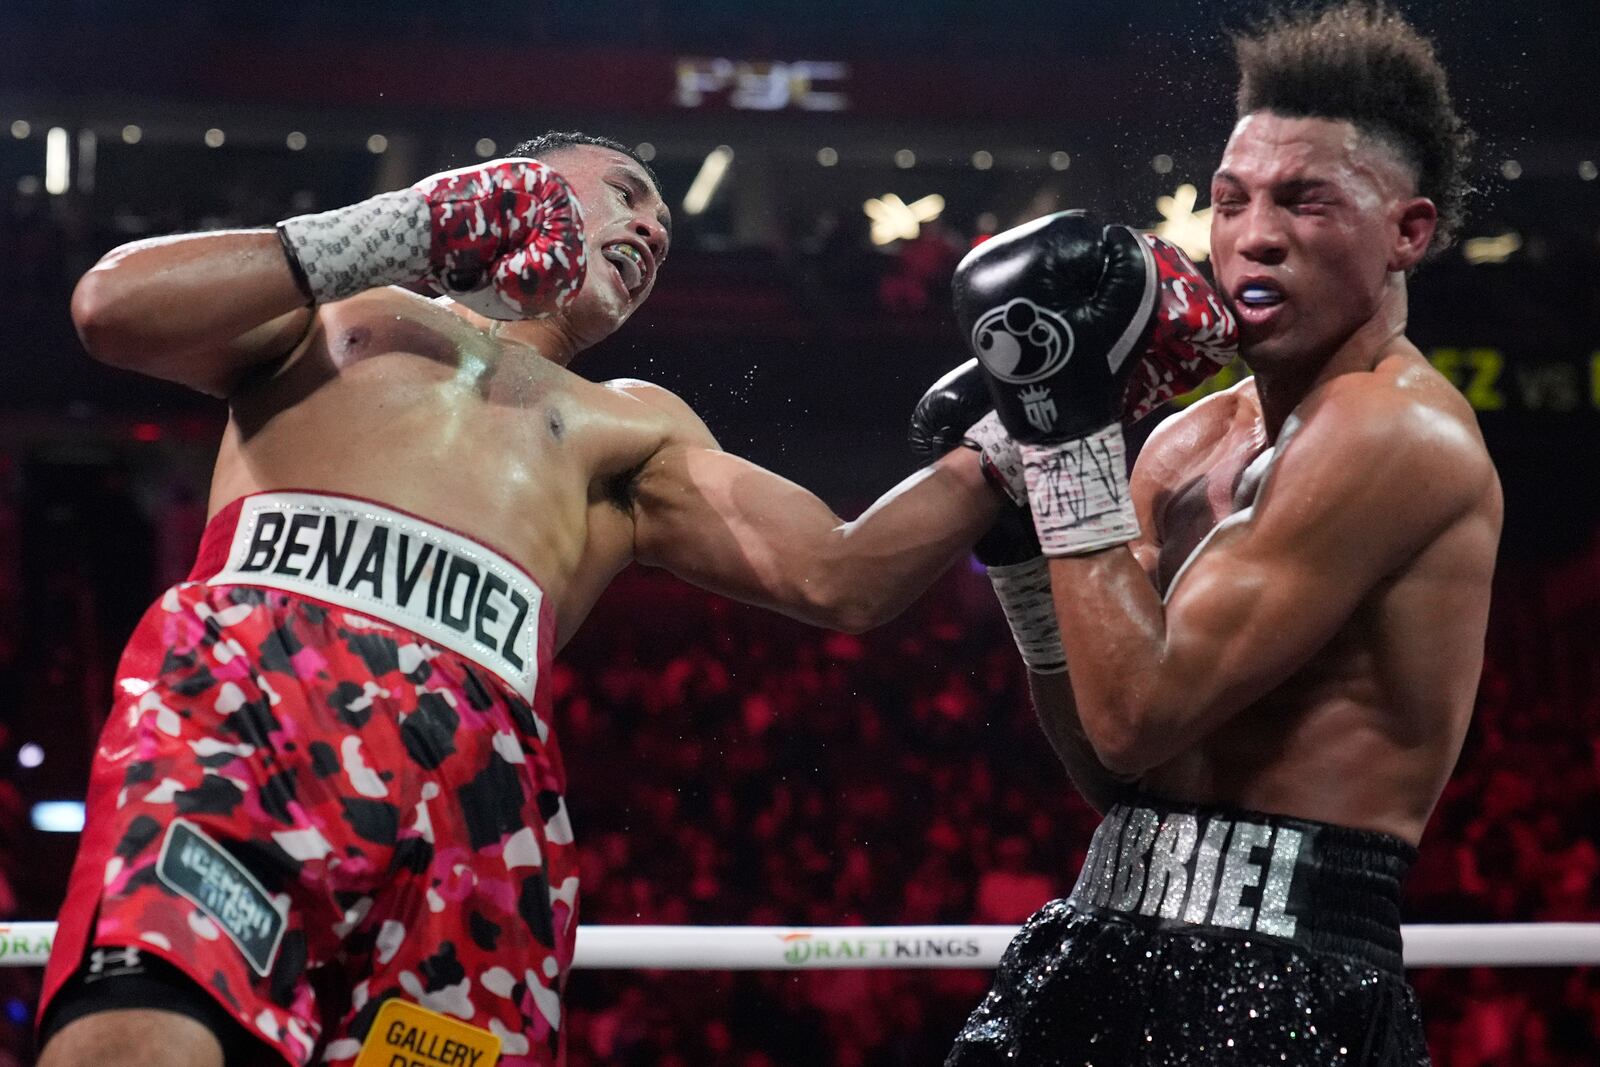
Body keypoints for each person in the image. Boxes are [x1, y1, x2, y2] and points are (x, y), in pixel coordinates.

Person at [35, 130, 1231, 1067]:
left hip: (476, 782)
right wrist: (414, 225)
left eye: (666, 223)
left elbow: (842, 574)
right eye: (625, 191)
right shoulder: (345, 314)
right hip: (262, 683)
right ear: (522, 183)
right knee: (144, 1021)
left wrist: (1020, 426)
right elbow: (110, 310)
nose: (654, 225)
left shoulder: (633, 423)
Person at [947, 3, 1500, 1063]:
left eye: (1306, 202)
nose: (1256, 235)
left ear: (1408, 232)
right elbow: (1110, 768)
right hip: (1104, 927)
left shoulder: (1398, 430)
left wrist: (1066, 446)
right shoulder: (1188, 436)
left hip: (1286, 973)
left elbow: (1134, 713)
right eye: (1230, 199)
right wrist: (1024, 550)